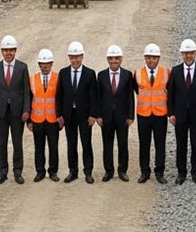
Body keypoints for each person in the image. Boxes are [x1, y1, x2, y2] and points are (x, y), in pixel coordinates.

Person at [0, 35, 29, 184]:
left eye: (11, 50)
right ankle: (2, 172)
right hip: (1, 113)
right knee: (2, 143)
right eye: (5, 50)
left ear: (15, 51)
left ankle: (18, 172)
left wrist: (26, 110)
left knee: (17, 143)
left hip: (17, 113)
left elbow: (26, 91)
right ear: (1, 51)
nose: (8, 53)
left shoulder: (22, 67)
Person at [168, 39, 196, 185]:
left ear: (195, 54)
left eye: (191, 53)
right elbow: (170, 94)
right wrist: (171, 113)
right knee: (181, 144)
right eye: (186, 53)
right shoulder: (175, 71)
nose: (188, 56)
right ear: (182, 54)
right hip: (180, 115)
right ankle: (181, 172)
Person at [57, 42, 97, 183]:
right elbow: (59, 96)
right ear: (69, 57)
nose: (75, 60)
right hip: (69, 115)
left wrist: (93, 114)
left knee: (86, 143)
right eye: (72, 57)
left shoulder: (90, 74)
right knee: (71, 143)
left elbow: (94, 96)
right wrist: (59, 115)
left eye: (77, 57)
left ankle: (88, 172)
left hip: (85, 115)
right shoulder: (63, 73)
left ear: (82, 56)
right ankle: (73, 171)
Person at [95, 42, 135, 182]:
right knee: (107, 145)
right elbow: (97, 97)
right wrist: (98, 115)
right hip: (106, 117)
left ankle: (122, 170)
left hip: (122, 117)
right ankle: (109, 171)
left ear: (121, 59)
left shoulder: (127, 75)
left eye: (116, 58)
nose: (114, 61)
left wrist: (131, 116)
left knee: (123, 144)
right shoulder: (101, 76)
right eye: (111, 58)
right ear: (107, 60)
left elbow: (131, 96)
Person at [134, 44, 169, 184]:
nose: (151, 60)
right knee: (144, 144)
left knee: (160, 144)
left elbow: (170, 93)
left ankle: (159, 172)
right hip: (143, 115)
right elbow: (137, 91)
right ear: (145, 58)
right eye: (148, 57)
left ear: (158, 58)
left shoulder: (167, 72)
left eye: (154, 57)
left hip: (160, 115)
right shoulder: (136, 73)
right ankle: (144, 172)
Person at [28, 48, 60, 182]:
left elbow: (61, 99)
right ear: (39, 64)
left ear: (52, 63)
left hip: (53, 120)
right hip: (37, 120)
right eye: (42, 63)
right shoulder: (32, 79)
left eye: (47, 63)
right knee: (38, 147)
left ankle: (53, 171)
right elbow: (29, 100)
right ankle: (40, 171)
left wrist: (61, 118)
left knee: (53, 147)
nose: (44, 66)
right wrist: (29, 121)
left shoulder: (58, 78)